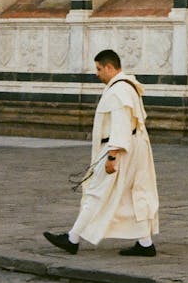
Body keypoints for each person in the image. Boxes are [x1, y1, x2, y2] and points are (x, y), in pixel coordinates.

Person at [43, 49, 159, 256]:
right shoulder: (127, 86)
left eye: (98, 69)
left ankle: (72, 238)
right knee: (132, 194)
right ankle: (145, 243)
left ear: (109, 67)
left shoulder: (118, 91)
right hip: (133, 146)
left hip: (120, 148)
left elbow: (122, 124)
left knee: (96, 193)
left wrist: (112, 156)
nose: (97, 74)